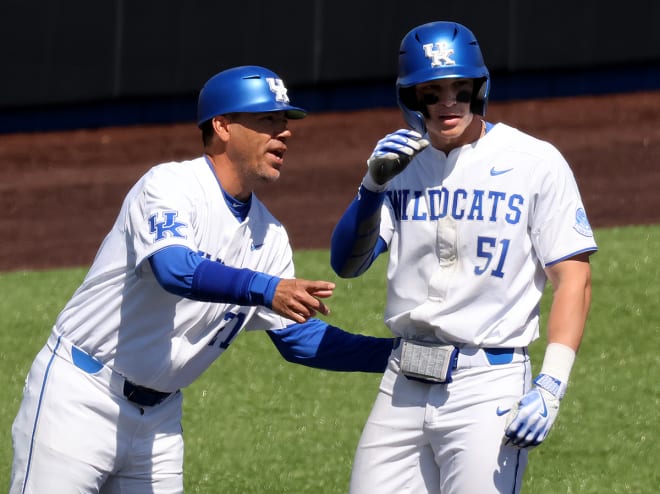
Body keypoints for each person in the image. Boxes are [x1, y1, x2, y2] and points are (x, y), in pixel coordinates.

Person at [10, 65, 395, 493]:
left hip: (158, 423)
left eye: (285, 122)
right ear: (223, 126)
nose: (284, 132)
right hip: (81, 397)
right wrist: (267, 289)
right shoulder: (170, 186)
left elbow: (299, 341)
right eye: (268, 120)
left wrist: (396, 355)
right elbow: (173, 268)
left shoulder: (270, 236)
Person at [330, 21, 598, 494]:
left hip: (487, 385)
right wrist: (370, 188)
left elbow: (573, 278)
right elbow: (347, 264)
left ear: (479, 89)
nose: (448, 103)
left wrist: (552, 383)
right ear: (411, 99)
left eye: (460, 89)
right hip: (402, 384)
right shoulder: (399, 165)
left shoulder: (534, 161)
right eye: (431, 93)